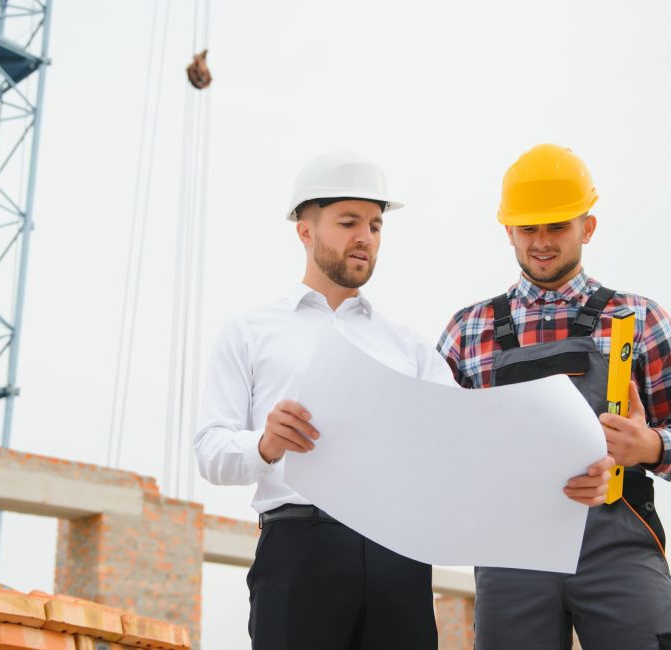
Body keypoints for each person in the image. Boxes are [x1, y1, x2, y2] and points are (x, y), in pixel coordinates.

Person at [194, 151, 613, 650]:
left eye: (374, 225)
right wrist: (264, 445)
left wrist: (567, 473)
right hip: (298, 551)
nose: (364, 238)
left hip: (400, 555)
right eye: (348, 222)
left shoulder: (409, 346)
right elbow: (210, 451)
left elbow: (470, 444)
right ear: (304, 231)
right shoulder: (250, 332)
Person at [437, 143, 671, 650]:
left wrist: (647, 446)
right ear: (508, 232)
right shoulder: (466, 333)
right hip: (511, 553)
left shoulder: (639, 320)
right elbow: (441, 449)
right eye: (528, 228)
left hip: (617, 548)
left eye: (557, 226)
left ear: (588, 226)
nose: (542, 242)